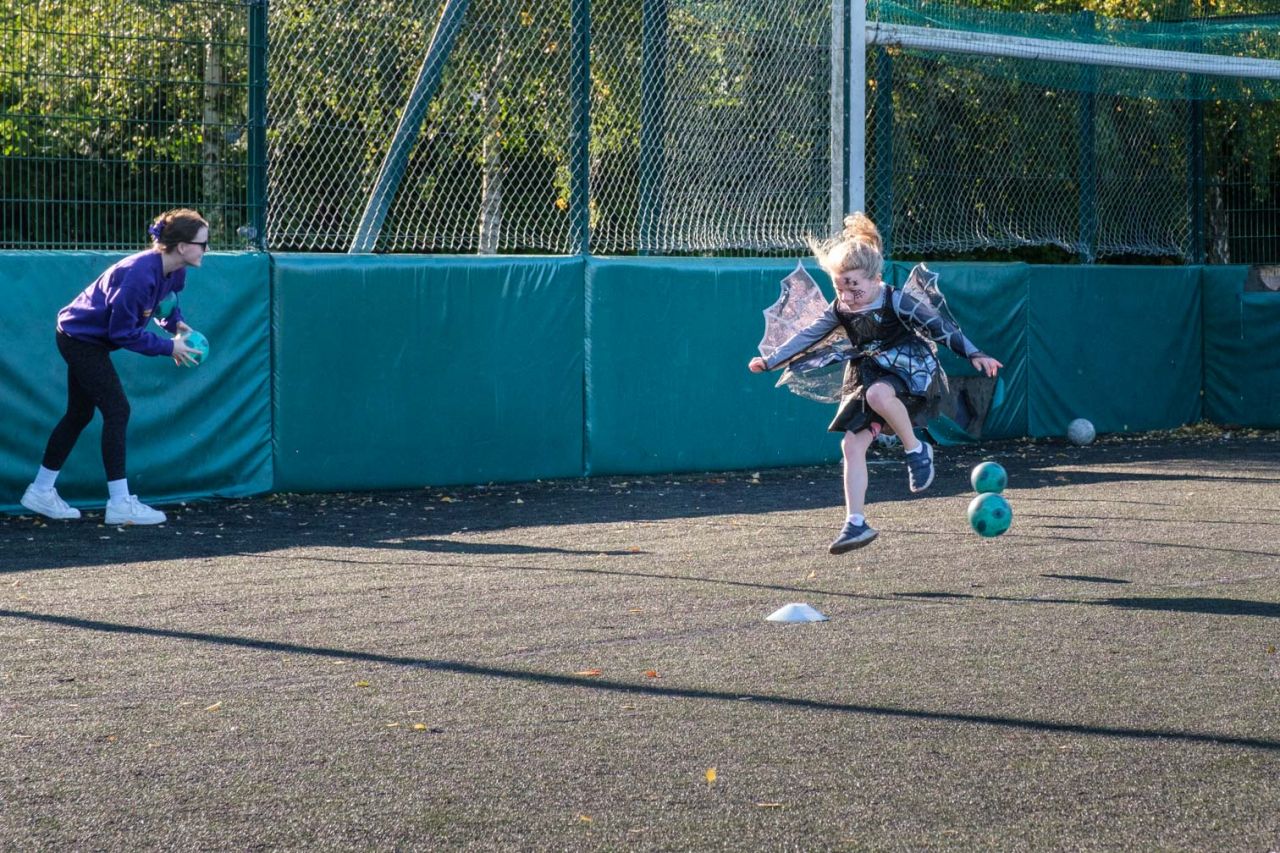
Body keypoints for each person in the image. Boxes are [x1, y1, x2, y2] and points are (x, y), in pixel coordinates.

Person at [748, 213, 1002, 554]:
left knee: (879, 393)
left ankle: (917, 450)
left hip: (908, 372)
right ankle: (856, 523)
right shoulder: (840, 308)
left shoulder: (895, 299)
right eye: (840, 287)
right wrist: (771, 360)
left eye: (854, 286)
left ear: (875, 278)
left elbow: (939, 327)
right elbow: (807, 337)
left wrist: (974, 354)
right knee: (851, 446)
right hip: (868, 372)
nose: (847, 295)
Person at [19, 209, 209, 525]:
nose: (206, 249)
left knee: (80, 414)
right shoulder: (138, 275)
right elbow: (122, 333)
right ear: (181, 247)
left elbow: (166, 305)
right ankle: (120, 503)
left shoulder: (176, 271)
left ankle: (40, 490)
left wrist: (177, 328)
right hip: (79, 339)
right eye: (202, 243)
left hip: (90, 340)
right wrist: (168, 347)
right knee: (117, 411)